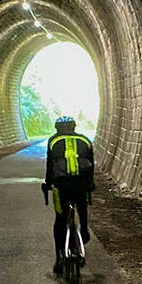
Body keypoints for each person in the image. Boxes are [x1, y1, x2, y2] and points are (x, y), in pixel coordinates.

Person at [42, 115, 94, 274]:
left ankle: (59, 258)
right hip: (81, 184)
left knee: (60, 219)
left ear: (57, 128)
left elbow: (50, 165)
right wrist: (90, 185)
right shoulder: (85, 140)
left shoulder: (53, 141)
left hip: (62, 186)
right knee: (82, 207)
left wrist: (48, 184)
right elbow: (91, 165)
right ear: (74, 126)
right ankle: (84, 230)